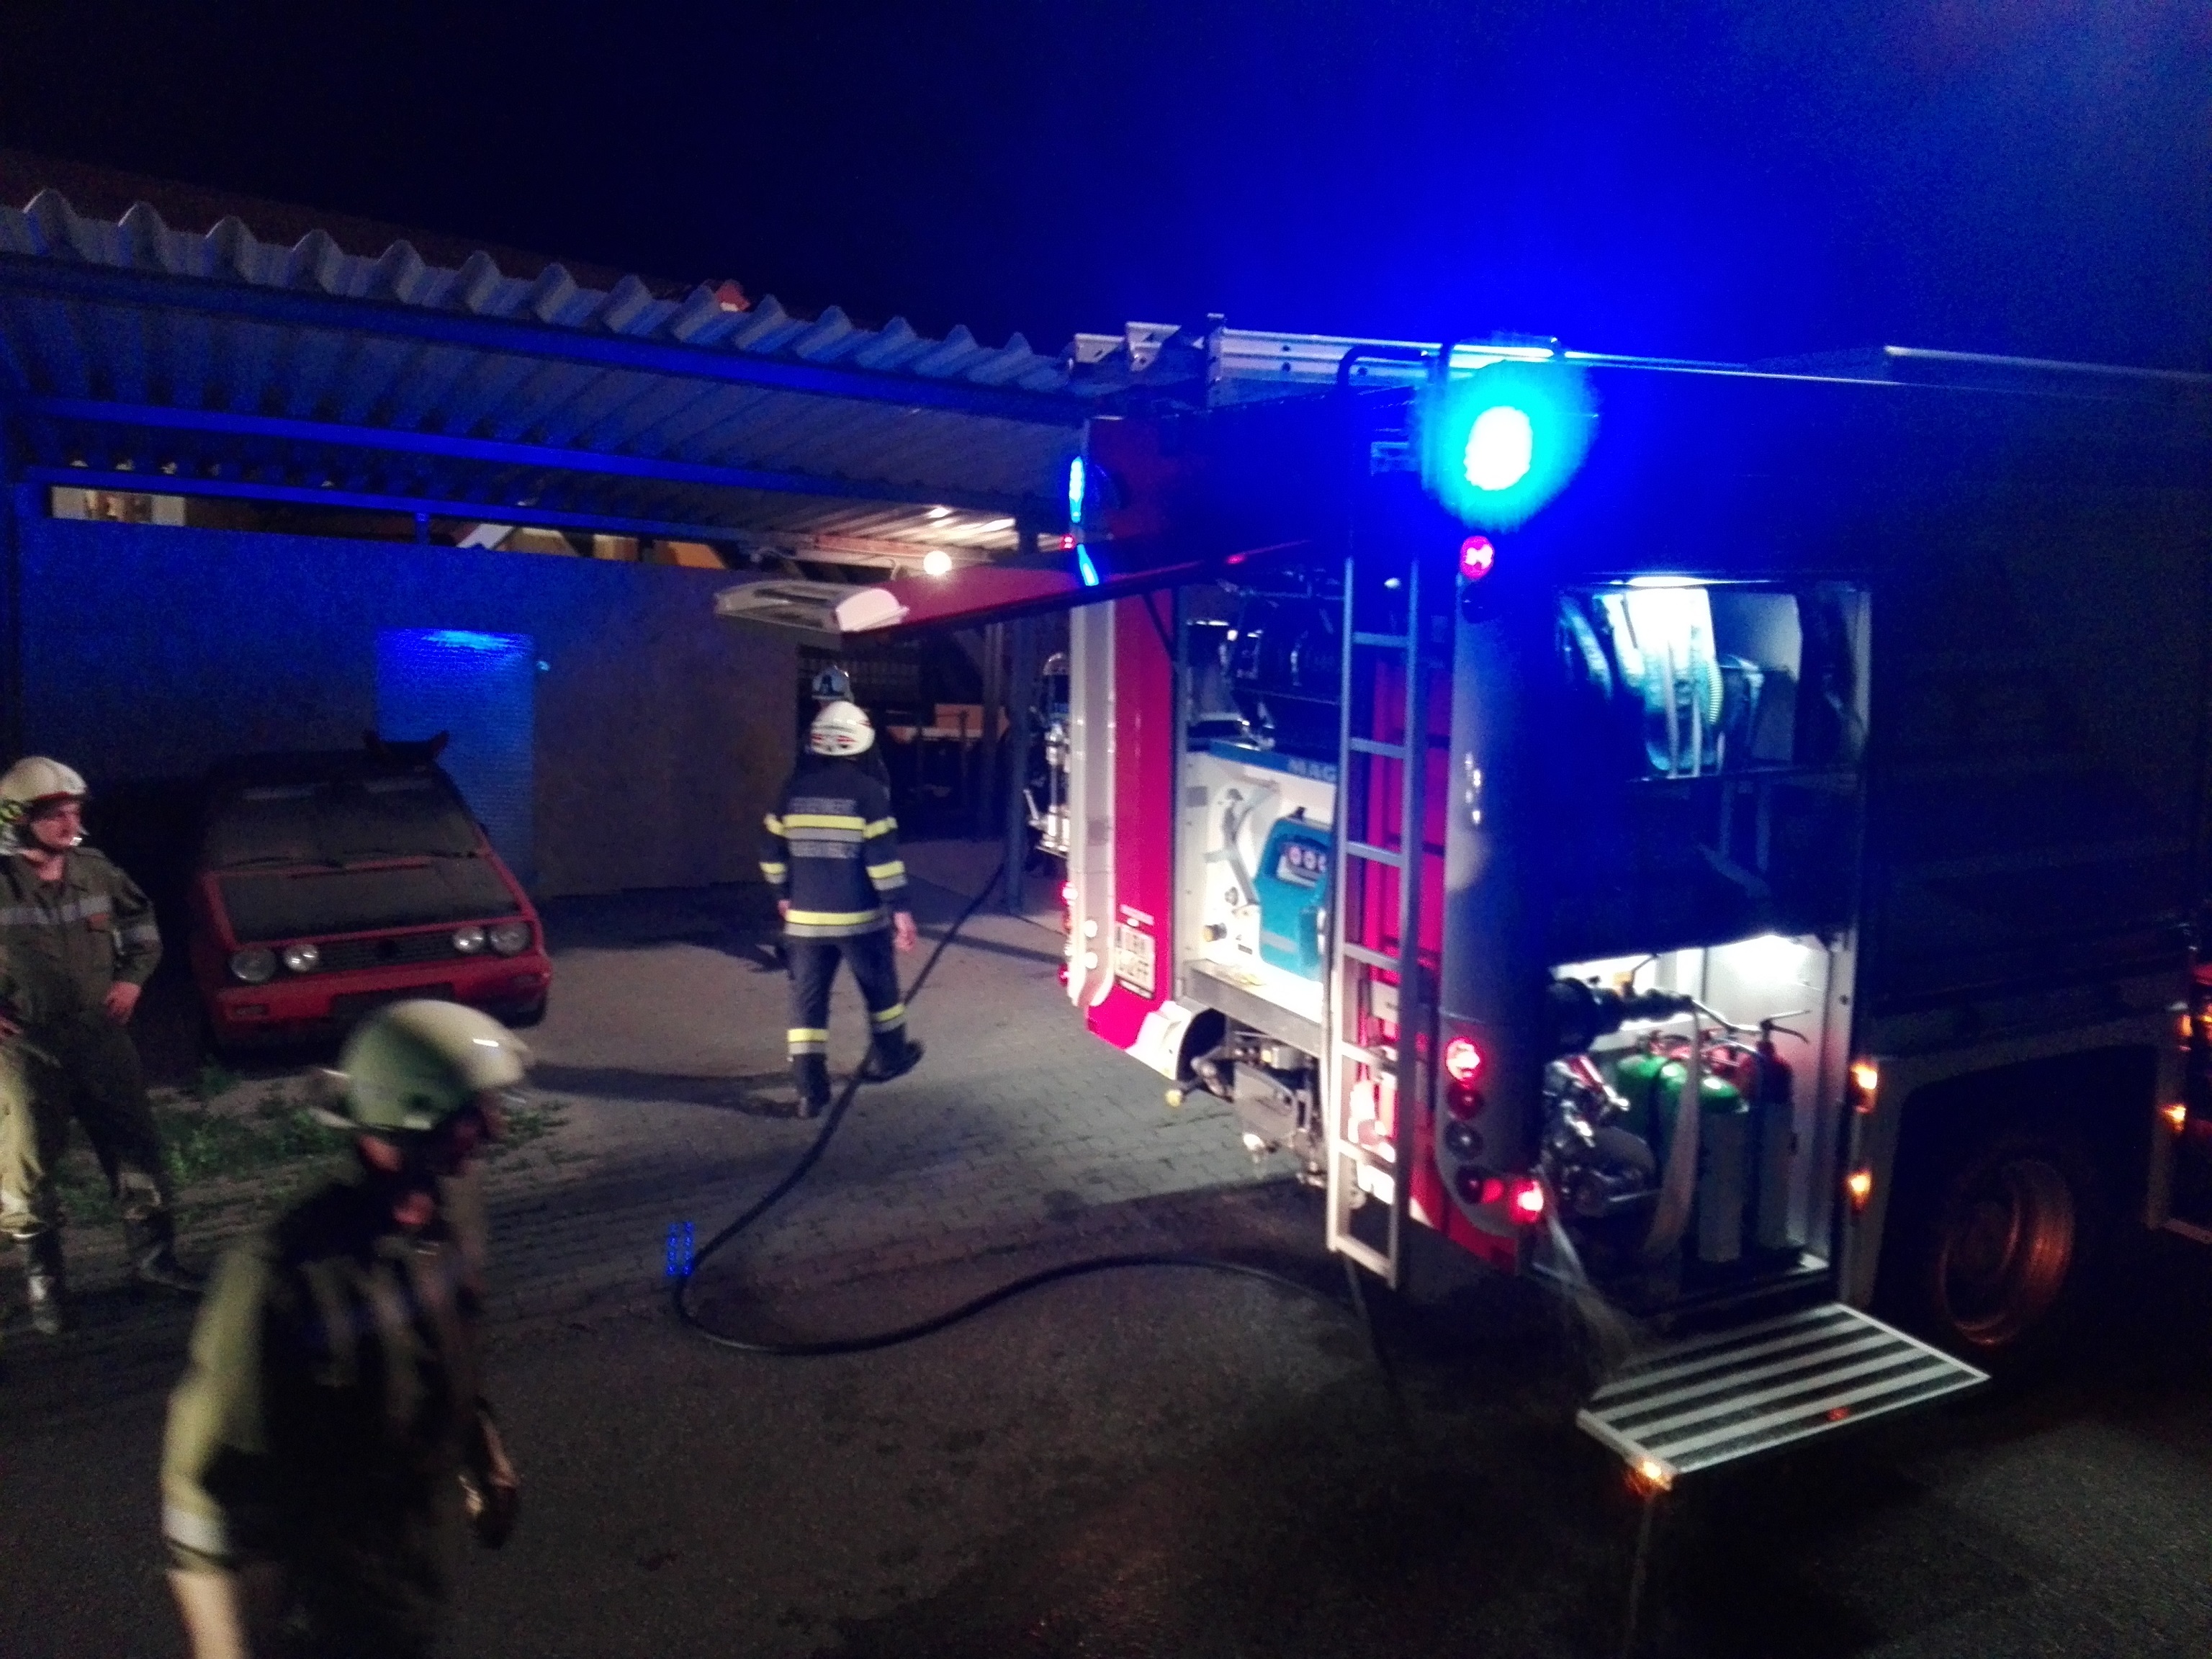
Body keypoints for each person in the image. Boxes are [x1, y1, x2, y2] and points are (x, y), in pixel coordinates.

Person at [162, 999, 525, 1659]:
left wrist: (485, 1452)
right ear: (412, 1118)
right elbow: (205, 1483)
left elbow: (453, 1340)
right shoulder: (280, 1276)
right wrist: (228, 1644)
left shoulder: (453, 1208)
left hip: (410, 1558)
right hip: (324, 1594)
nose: (496, 1129)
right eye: (475, 1113)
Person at [0, 755, 196, 1336]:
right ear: (17, 818)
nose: (70, 823)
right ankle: (46, 1288)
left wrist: (132, 979)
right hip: (26, 1044)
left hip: (100, 1036)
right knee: (28, 1160)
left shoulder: (95, 870)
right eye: (55, 814)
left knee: (134, 1143)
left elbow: (141, 923)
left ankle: (155, 1264)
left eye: (74, 811)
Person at [760, 699, 924, 1115]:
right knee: (881, 994)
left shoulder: (792, 791)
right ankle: (892, 1058)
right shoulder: (869, 793)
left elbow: (769, 851)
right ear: (861, 742)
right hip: (860, 922)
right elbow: (882, 861)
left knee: (807, 1005)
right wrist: (900, 911)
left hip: (804, 924)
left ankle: (809, 1094)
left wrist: (782, 895)